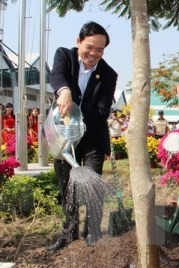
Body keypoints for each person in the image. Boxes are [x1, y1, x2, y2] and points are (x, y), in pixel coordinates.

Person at [46, 21, 118, 252]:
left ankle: (92, 233)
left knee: (92, 186)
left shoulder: (108, 74)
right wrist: (64, 91)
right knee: (67, 187)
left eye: (100, 50)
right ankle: (68, 234)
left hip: (92, 137)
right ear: (78, 42)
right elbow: (57, 75)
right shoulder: (64, 56)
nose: (94, 53)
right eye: (90, 47)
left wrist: (80, 123)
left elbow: (102, 110)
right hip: (63, 135)